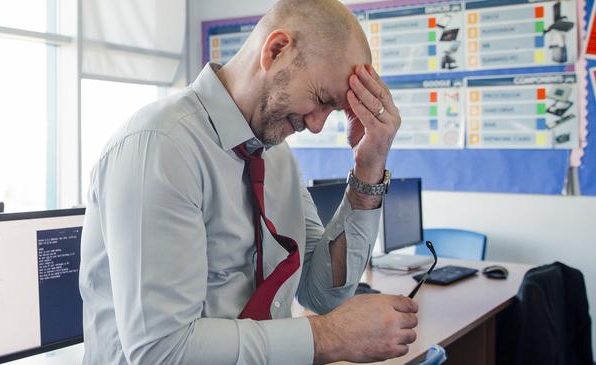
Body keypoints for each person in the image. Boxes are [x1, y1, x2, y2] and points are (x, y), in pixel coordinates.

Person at [79, 0, 418, 364]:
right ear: (275, 51)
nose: (318, 125)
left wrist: (369, 168)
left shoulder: (275, 155)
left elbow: (323, 293)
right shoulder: (161, 146)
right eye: (321, 99)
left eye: (332, 110)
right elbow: (162, 350)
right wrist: (329, 337)